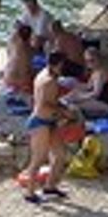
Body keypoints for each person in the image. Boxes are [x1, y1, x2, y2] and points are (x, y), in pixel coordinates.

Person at [23, 56, 74, 203]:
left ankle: (50, 186)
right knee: (38, 159)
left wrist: (62, 108)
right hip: (41, 122)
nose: (63, 69)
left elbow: (49, 101)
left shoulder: (45, 75)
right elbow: (44, 105)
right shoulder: (49, 81)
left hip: (50, 121)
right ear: (55, 65)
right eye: (61, 66)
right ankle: (30, 192)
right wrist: (64, 112)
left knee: (59, 154)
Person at [1, 21, 35, 100]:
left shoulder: (12, 42)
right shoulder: (28, 50)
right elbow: (26, 70)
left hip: (8, 77)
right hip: (19, 82)